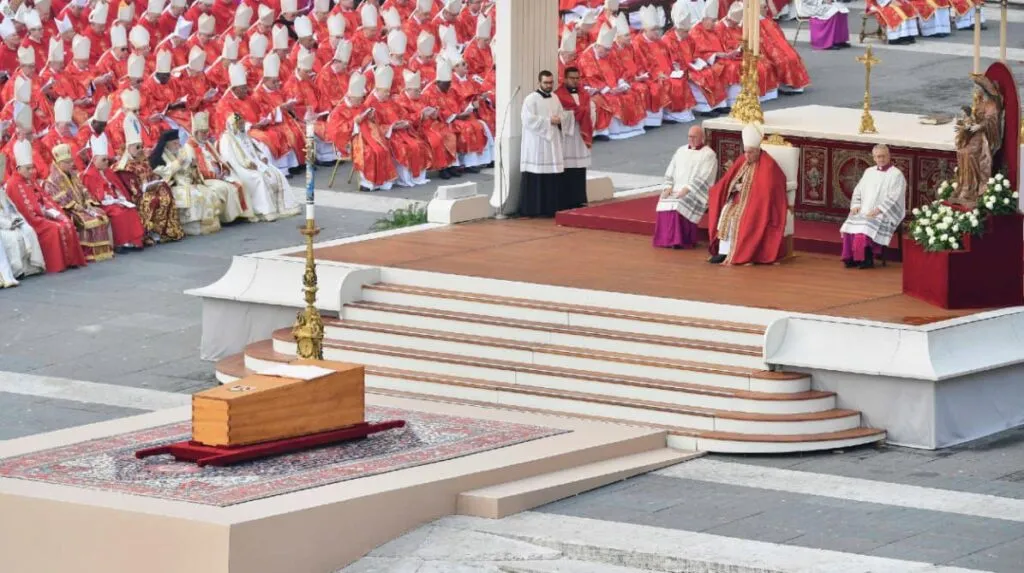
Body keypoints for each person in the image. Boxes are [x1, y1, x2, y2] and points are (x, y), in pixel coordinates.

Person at [706, 123, 788, 265]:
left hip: (757, 202)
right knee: (726, 212)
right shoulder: (743, 160)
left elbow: (769, 190)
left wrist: (749, 190)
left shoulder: (768, 165)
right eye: (745, 152)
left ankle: (741, 252)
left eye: (750, 152)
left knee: (740, 217)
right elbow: (727, 181)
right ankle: (724, 252)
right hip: (738, 198)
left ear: (758, 150)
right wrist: (733, 187)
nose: (747, 155)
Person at [6, 139, 88, 273]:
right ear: (19, 168)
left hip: (44, 212)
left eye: (32, 167)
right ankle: (57, 264)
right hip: (32, 219)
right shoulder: (13, 184)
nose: (32, 171)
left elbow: (44, 197)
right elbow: (24, 209)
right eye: (28, 169)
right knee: (54, 228)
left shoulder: (30, 180)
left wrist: (52, 211)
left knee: (66, 222)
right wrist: (42, 212)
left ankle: (72, 261)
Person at [218, 112, 301, 221]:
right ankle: (264, 211)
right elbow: (229, 159)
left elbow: (255, 149)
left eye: (243, 123)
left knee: (277, 173)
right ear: (234, 125)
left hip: (257, 163)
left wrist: (262, 157)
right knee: (259, 178)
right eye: (240, 124)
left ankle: (283, 207)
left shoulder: (244, 134)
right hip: (241, 169)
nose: (242, 126)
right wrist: (247, 164)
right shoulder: (226, 139)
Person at [43, 143, 116, 262]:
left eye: (71, 161)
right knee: (89, 221)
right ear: (59, 163)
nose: (71, 164)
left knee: (101, 214)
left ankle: (103, 251)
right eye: (67, 162)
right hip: (69, 210)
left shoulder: (73, 174)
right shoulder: (52, 181)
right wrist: (75, 206)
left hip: (83, 206)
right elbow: (58, 199)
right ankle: (88, 253)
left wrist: (88, 201)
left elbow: (83, 189)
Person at [115, 121, 186, 244]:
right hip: (137, 196)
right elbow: (132, 188)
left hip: (150, 189)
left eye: (141, 146)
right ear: (129, 148)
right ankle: (148, 231)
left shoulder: (144, 161)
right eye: (137, 147)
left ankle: (163, 231)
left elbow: (152, 175)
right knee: (151, 200)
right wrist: (144, 188)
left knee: (166, 194)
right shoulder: (125, 167)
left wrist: (156, 182)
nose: (140, 150)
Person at [839, 144, 906, 269]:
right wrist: (856, 205)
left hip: (884, 212)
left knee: (865, 225)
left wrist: (878, 210)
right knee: (850, 223)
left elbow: (895, 197)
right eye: (878, 156)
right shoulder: (869, 172)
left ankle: (866, 258)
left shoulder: (896, 175)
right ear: (874, 158)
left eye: (883, 156)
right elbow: (858, 190)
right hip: (865, 209)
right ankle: (851, 258)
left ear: (889, 156)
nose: (881, 159)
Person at [515, 70, 571, 218]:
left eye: (551, 82)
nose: (549, 85)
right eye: (546, 83)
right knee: (537, 174)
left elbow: (562, 114)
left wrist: (561, 119)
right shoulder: (531, 99)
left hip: (552, 141)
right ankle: (533, 209)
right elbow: (527, 120)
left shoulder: (555, 97)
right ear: (539, 82)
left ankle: (551, 207)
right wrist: (548, 121)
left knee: (552, 173)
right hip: (537, 143)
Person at [150, 129, 224, 236]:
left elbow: (189, 172)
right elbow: (162, 173)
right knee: (195, 196)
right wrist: (177, 163)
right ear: (166, 144)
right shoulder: (158, 157)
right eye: (174, 143)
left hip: (188, 183)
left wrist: (193, 166)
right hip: (173, 186)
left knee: (207, 193)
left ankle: (208, 223)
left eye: (178, 142)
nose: (178, 145)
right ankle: (191, 226)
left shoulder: (181, 152)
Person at [654, 126, 718, 250]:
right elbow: (671, 169)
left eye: (694, 137)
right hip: (676, 188)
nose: (691, 139)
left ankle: (681, 241)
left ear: (702, 138)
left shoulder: (708, 154)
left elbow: (705, 176)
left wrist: (687, 189)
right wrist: (668, 187)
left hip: (695, 191)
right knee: (664, 200)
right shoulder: (680, 151)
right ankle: (665, 240)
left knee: (680, 203)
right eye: (689, 136)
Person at [80, 133, 147, 250]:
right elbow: (93, 195)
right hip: (102, 204)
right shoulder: (88, 175)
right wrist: (109, 198)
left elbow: (118, 187)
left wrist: (120, 198)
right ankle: (120, 243)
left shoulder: (108, 171)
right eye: (104, 160)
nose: (107, 162)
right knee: (118, 213)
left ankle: (134, 241)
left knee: (130, 209)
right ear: (94, 159)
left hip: (115, 200)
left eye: (107, 159)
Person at [0, 155, 46, 286]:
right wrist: (8, 224)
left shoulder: (1, 191)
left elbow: (11, 208)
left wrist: (16, 220)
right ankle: (17, 271)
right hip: (3, 226)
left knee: (28, 230)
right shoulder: (12, 184)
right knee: (12, 238)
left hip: (11, 221)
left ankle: (32, 267)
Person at [554, 66, 592, 211]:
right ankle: (566, 200)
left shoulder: (585, 94)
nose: (575, 81)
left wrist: (585, 114)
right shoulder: (558, 96)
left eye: (577, 78)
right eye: (572, 78)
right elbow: (557, 114)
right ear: (565, 79)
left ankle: (580, 199)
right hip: (567, 135)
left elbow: (591, 111)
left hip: (580, 134)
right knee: (567, 167)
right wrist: (574, 114)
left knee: (580, 168)